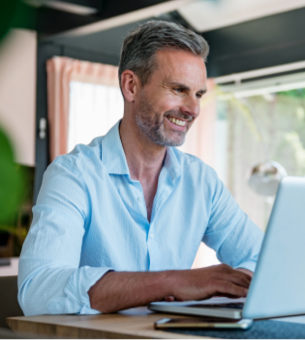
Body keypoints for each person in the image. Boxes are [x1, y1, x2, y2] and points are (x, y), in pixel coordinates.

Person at [18, 21, 264, 316]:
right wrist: (172, 282)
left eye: (198, 94)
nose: (193, 109)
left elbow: (263, 258)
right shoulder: (72, 175)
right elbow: (37, 291)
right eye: (178, 89)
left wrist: (218, 289)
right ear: (131, 86)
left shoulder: (202, 182)